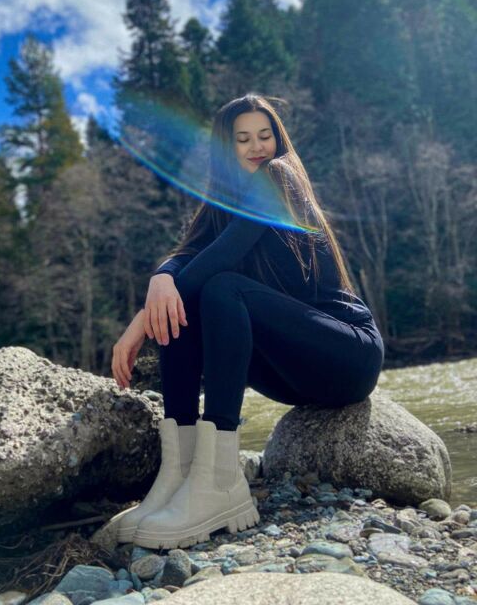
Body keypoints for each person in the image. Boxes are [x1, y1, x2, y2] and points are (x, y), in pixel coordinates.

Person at [110, 93, 385, 550]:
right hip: (291, 373)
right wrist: (160, 278)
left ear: (278, 139)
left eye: (265, 135)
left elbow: (218, 258)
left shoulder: (279, 177)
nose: (258, 146)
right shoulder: (224, 206)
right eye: (243, 139)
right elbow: (191, 253)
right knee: (184, 302)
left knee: (220, 287)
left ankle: (221, 484)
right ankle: (180, 475)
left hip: (346, 355)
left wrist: (143, 318)